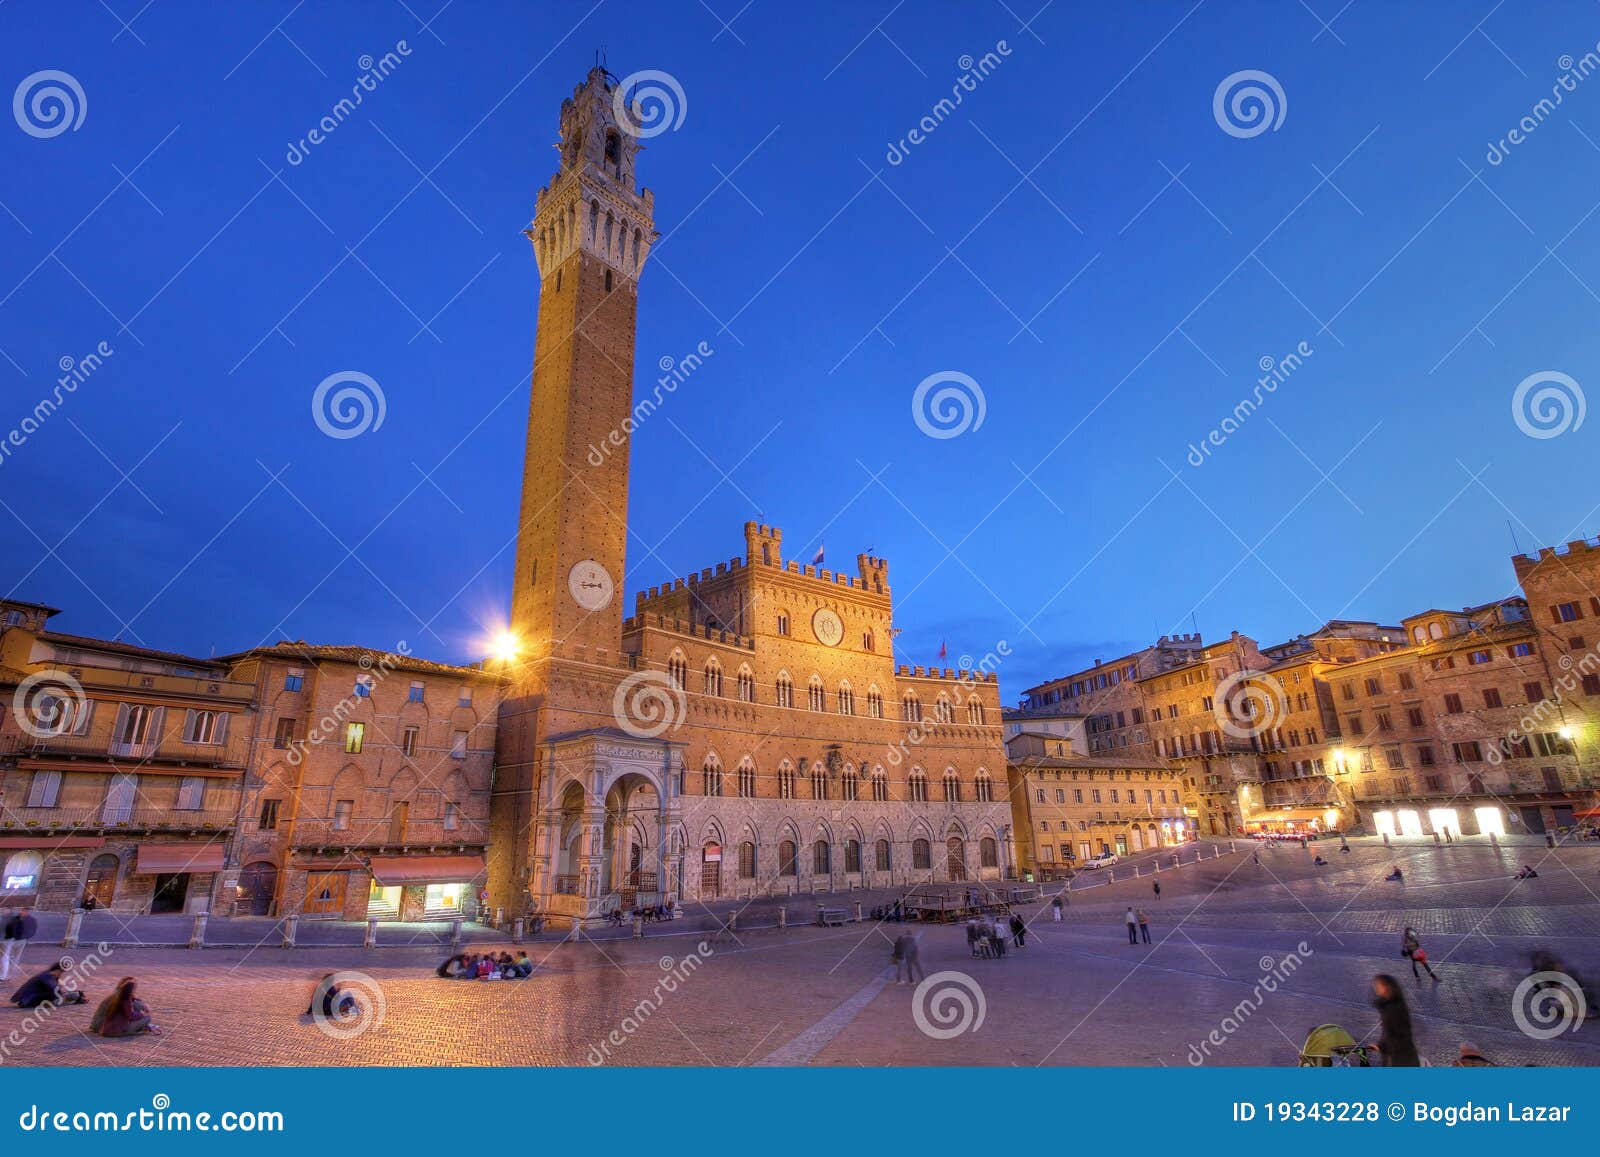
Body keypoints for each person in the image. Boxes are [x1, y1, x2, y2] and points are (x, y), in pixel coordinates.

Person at [1371, 974, 1418, 1066]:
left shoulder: (1394, 1009)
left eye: (1378, 985)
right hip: (1399, 1056)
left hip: (1400, 1059)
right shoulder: (1389, 1006)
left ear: (1387, 987)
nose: (1375, 987)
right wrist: (1380, 1046)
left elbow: (1397, 1034)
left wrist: (1383, 1047)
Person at [92, 977, 159, 1036]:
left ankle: (138, 1026)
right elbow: (131, 1015)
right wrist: (142, 1014)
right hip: (104, 1026)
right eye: (134, 989)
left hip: (106, 1027)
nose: (135, 991)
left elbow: (134, 1002)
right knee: (147, 1018)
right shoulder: (125, 1001)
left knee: (137, 1006)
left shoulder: (119, 996)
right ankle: (135, 1028)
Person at [10, 960, 84, 1009]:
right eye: (61, 972)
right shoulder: (47, 977)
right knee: (56, 996)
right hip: (28, 1000)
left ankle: (78, 995)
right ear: (57, 970)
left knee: (60, 994)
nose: (61, 974)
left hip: (28, 998)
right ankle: (76, 998)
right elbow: (54, 989)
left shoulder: (47, 975)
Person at [2, 907, 36, 981]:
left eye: (26, 911)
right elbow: (9, 927)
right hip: (12, 939)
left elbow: (32, 930)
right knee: (7, 956)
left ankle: (12, 973)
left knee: (16, 957)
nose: (24, 912)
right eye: (23, 911)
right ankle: (5, 973)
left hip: (22, 940)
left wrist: (26, 937)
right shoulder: (15, 918)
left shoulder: (32, 920)